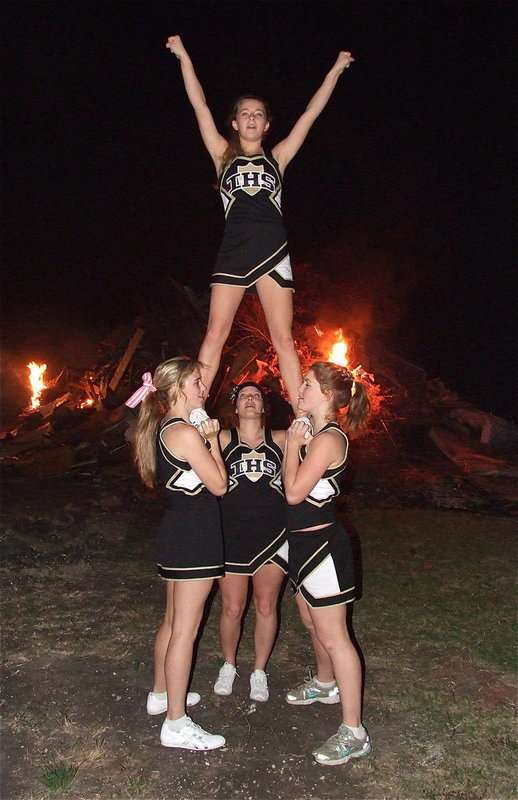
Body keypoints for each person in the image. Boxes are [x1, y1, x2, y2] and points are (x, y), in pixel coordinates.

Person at [165, 34, 354, 416]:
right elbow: (198, 104)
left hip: (272, 252)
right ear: (235, 122)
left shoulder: (278, 159)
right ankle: (192, 411)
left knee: (283, 338)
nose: (251, 118)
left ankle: (304, 417)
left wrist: (335, 69)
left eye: (258, 114)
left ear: (266, 125)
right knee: (215, 334)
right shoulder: (222, 156)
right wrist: (184, 55)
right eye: (244, 113)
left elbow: (309, 115)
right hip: (233, 252)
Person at [131, 358, 228, 751]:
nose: (204, 387)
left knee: (173, 623)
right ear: (178, 389)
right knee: (185, 630)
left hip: (179, 533)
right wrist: (215, 441)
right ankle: (176, 722)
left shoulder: (165, 427)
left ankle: (161, 694)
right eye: (197, 381)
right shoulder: (186, 433)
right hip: (194, 538)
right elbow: (219, 485)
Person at [281, 361, 372, 766]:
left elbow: (294, 493)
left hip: (322, 548)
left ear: (328, 396)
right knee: (309, 618)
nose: (299, 388)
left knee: (335, 637)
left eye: (307, 384)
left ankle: (354, 732)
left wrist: (289, 449)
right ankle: (324, 682)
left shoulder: (328, 439)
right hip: (302, 545)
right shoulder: (313, 433)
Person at [213, 382, 288, 703]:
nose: (249, 399)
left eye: (255, 396)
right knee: (232, 607)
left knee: (266, 605)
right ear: (235, 406)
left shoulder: (282, 439)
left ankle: (259, 670)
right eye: (243, 395)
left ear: (263, 406)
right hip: (231, 534)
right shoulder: (221, 438)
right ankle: (228, 665)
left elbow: (313, 430)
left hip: (273, 534)